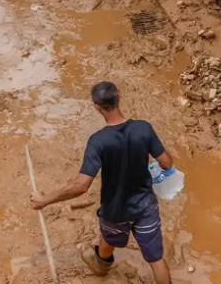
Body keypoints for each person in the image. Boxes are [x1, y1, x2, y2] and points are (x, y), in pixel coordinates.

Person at [30, 82, 173, 283]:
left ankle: (100, 267)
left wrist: (45, 199)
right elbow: (167, 163)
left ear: (96, 107)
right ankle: (101, 265)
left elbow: (81, 185)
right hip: (145, 206)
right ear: (118, 97)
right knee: (156, 259)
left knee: (109, 235)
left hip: (115, 210)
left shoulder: (98, 141)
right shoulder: (144, 128)